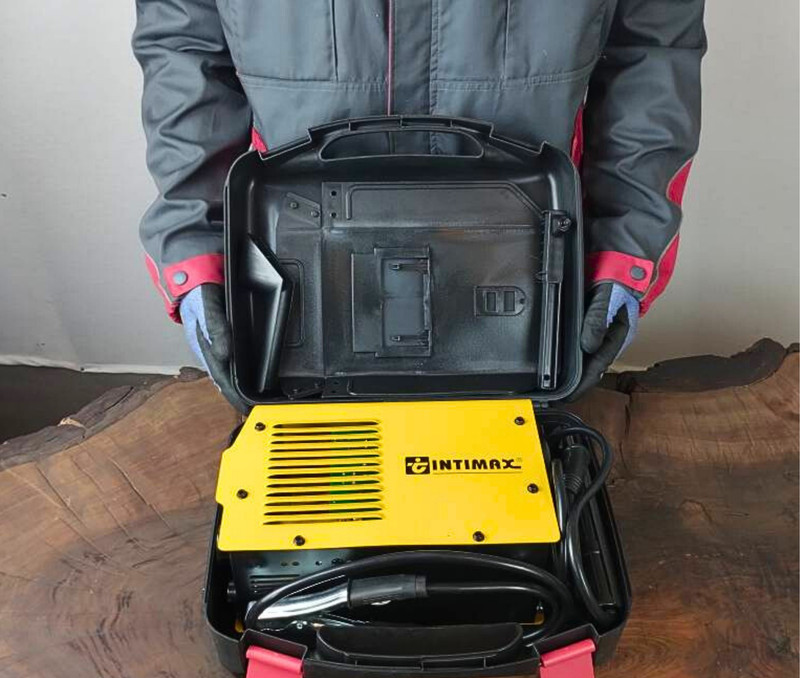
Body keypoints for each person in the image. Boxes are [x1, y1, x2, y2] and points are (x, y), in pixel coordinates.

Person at [134, 1, 705, 406]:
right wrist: (196, 253)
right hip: (298, 292)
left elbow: (651, 49)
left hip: (526, 295)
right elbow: (185, 47)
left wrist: (624, 251)